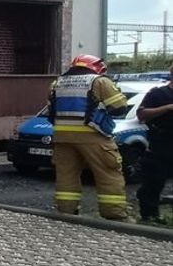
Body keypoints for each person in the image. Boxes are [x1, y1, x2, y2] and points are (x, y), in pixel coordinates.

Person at [47, 54, 131, 219]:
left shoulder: (57, 83)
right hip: (94, 137)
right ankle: (114, 215)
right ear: (97, 67)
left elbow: (51, 111)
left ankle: (66, 213)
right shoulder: (99, 81)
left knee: (66, 176)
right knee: (108, 174)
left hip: (62, 137)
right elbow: (119, 107)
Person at [137, 63, 173, 225]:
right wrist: (166, 108)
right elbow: (142, 115)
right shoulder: (158, 94)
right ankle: (149, 215)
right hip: (161, 144)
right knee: (154, 182)